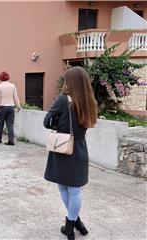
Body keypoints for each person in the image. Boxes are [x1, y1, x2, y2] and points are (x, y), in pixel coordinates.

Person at [43, 66, 97, 240]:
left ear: (70, 82)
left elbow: (46, 121)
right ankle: (76, 221)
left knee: (64, 187)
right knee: (75, 189)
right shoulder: (90, 100)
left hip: (64, 148)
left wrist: (58, 122)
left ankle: (70, 226)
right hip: (80, 148)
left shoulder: (63, 99)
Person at [0, 71, 21, 145]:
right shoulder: (12, 86)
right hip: (11, 107)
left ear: (0, 78)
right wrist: (18, 107)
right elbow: (16, 97)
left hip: (2, 107)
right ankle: (11, 140)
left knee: (0, 124)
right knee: (10, 125)